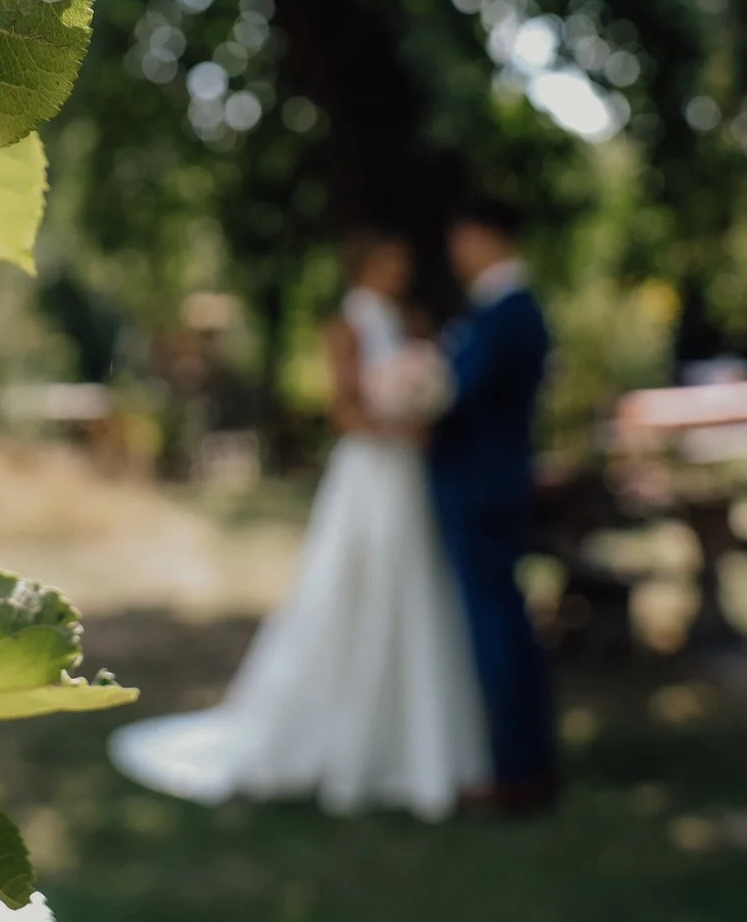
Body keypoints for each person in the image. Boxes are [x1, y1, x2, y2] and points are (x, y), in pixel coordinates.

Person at [109, 233, 490, 820]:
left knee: (415, 588)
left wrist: (420, 408)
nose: (400, 271)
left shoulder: (407, 321)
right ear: (364, 264)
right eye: (389, 261)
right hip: (371, 476)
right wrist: (399, 428)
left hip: (407, 476)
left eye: (403, 263)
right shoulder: (347, 325)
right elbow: (344, 411)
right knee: (358, 584)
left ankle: (419, 743)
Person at [430, 197, 562, 814]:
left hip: (480, 487)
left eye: (462, 238)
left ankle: (518, 770)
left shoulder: (508, 312)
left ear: (486, 237)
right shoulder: (504, 311)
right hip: (492, 483)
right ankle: (520, 758)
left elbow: (455, 394)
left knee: (498, 627)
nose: (457, 252)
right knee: (502, 620)